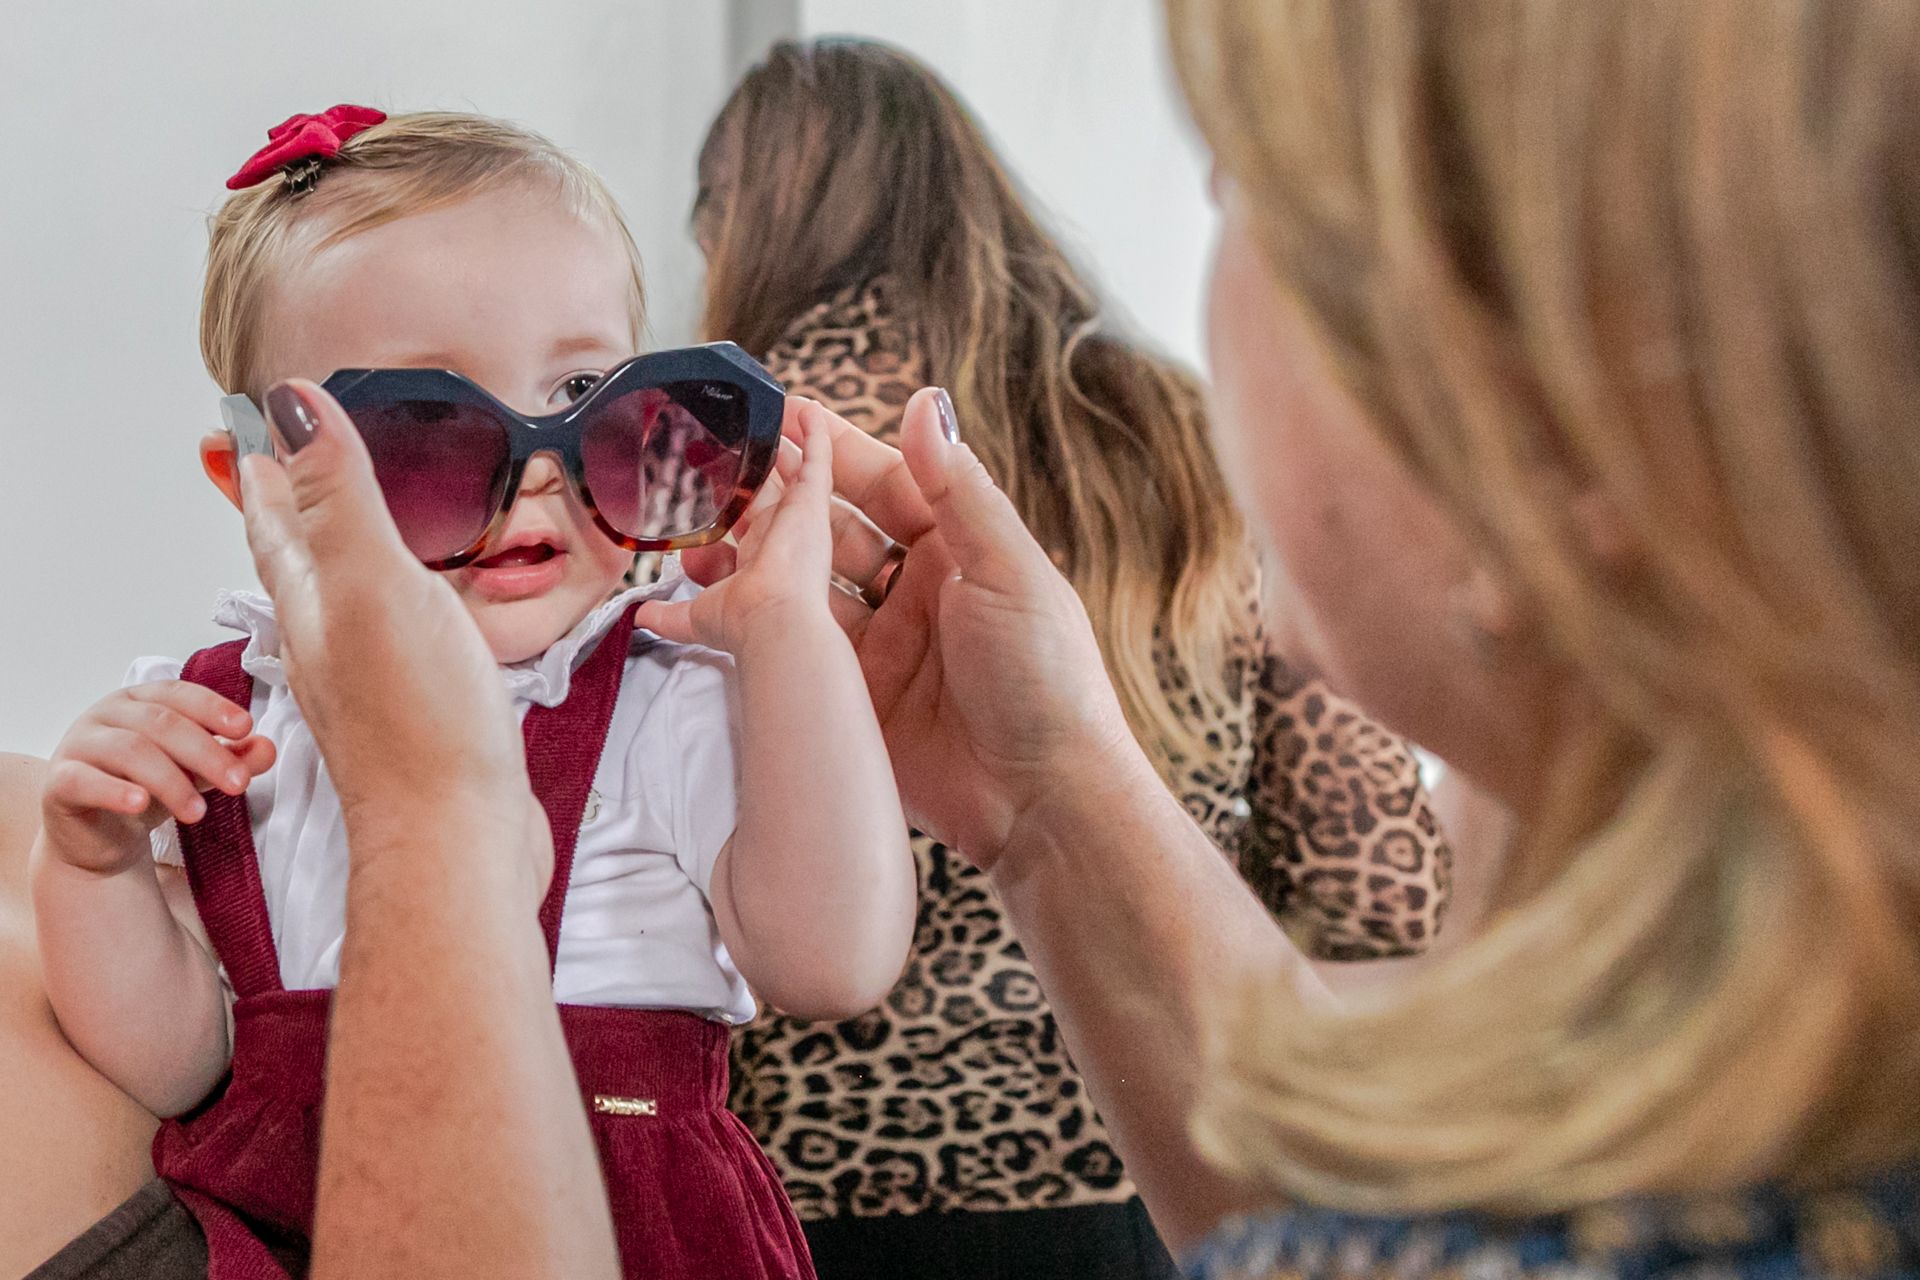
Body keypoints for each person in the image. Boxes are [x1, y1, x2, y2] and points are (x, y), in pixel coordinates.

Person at [26, 106, 915, 1278]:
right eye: (426, 426)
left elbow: (833, 958)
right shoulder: (229, 717)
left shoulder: (662, 690)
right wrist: (91, 868)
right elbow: (177, 1061)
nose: (540, 464)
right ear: (261, 485)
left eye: (590, 388)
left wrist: (789, 627)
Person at [688, 40, 1452, 1278]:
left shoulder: (705, 467)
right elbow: (1378, 889)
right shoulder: (1176, 436)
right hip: (1160, 1172)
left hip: (791, 1199)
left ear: (734, 227)